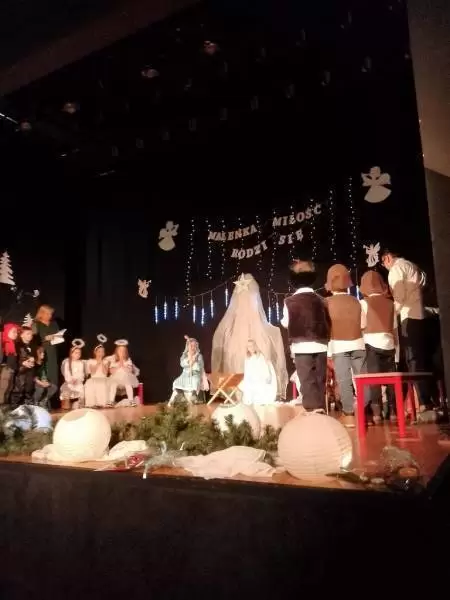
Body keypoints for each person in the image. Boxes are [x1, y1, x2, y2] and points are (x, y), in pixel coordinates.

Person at [211, 273, 288, 399]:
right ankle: (244, 394)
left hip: (246, 332)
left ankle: (248, 394)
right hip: (245, 332)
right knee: (245, 359)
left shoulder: (248, 302)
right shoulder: (249, 301)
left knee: (251, 360)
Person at [381, 249, 432, 410]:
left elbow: (399, 297)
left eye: (383, 262)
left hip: (408, 316)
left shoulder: (396, 269)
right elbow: (424, 282)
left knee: (413, 359)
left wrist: (389, 315)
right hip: (421, 314)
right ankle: (426, 400)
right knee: (422, 359)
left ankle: (423, 402)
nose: (384, 266)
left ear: (387, 257)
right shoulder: (412, 266)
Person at [280, 260, 330, 413]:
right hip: (321, 344)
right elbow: (327, 321)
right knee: (320, 377)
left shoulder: (289, 301)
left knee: (306, 378)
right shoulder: (321, 300)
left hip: (301, 345)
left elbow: (286, 322)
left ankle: (312, 409)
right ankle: (320, 407)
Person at [325, 264, 366, 427]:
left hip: (338, 345)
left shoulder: (327, 302)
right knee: (362, 380)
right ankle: (367, 413)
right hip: (359, 343)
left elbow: (326, 327)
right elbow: (363, 324)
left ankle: (349, 414)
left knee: (344, 380)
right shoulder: (356, 301)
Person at [360, 270, 399, 424]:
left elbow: (362, 325)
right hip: (389, 344)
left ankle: (377, 413)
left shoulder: (363, 303)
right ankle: (393, 411)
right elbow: (394, 328)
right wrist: (396, 348)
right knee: (391, 380)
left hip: (371, 343)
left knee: (374, 379)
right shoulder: (391, 303)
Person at [168, 336, 208, 405]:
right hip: (185, 374)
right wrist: (189, 360)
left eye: (194, 346)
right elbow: (182, 364)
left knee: (195, 381)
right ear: (188, 347)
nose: (193, 347)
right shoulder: (185, 355)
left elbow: (200, 367)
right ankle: (181, 395)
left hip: (195, 374)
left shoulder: (199, 356)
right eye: (191, 346)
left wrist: (194, 362)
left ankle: (194, 395)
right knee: (176, 382)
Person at [238, 340, 277, 405]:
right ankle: (250, 398)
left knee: (256, 384)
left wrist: (264, 377)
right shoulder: (247, 358)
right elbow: (247, 371)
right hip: (251, 378)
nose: (251, 348)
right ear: (247, 348)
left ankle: (257, 398)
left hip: (260, 377)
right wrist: (248, 379)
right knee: (244, 384)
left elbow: (264, 369)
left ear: (255, 346)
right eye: (249, 346)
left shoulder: (260, 356)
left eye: (252, 345)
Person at [33, 304, 60, 388]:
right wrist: (45, 338)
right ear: (41, 313)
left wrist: (58, 337)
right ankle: (42, 391)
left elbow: (58, 335)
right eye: (47, 314)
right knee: (43, 372)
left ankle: (52, 391)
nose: (50, 316)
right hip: (42, 351)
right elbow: (33, 340)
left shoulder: (54, 324)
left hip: (52, 351)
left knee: (53, 372)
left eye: (51, 314)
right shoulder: (36, 324)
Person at [108, 340, 139, 407]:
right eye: (120, 351)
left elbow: (130, 370)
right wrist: (118, 366)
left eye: (123, 351)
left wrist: (123, 366)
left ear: (125, 352)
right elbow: (111, 371)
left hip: (125, 377)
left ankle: (131, 400)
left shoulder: (128, 360)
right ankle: (111, 401)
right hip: (116, 378)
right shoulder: (114, 360)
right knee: (113, 385)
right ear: (117, 352)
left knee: (128, 384)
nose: (121, 352)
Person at [9, 326, 35, 407]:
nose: (30, 335)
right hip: (21, 371)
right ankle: (14, 408)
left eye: (31, 334)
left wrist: (33, 359)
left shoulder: (32, 345)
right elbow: (14, 359)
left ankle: (28, 408)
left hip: (30, 371)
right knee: (19, 389)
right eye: (28, 334)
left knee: (29, 389)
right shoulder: (17, 345)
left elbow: (35, 357)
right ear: (21, 335)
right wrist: (23, 363)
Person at [85, 337, 110, 408]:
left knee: (103, 384)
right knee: (91, 384)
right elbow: (92, 373)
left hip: (103, 378)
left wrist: (102, 363)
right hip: (94, 378)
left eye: (102, 352)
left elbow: (105, 373)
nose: (100, 353)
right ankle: (93, 403)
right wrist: (97, 363)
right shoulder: (90, 361)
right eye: (99, 351)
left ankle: (102, 403)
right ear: (95, 352)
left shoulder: (106, 361)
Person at [60, 342, 86, 409]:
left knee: (81, 391)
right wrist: (70, 380)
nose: (78, 354)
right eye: (76, 353)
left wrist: (77, 379)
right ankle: (67, 404)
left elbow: (81, 374)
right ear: (71, 354)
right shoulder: (67, 363)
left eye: (79, 353)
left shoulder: (81, 363)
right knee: (67, 390)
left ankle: (79, 404)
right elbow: (66, 374)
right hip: (70, 383)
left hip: (78, 382)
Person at [0, 323, 19, 405]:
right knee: (3, 389)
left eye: (17, 332)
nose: (16, 334)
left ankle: (5, 405)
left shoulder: (13, 344)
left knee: (9, 388)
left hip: (11, 369)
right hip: (5, 370)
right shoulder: (4, 343)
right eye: (13, 332)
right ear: (7, 331)